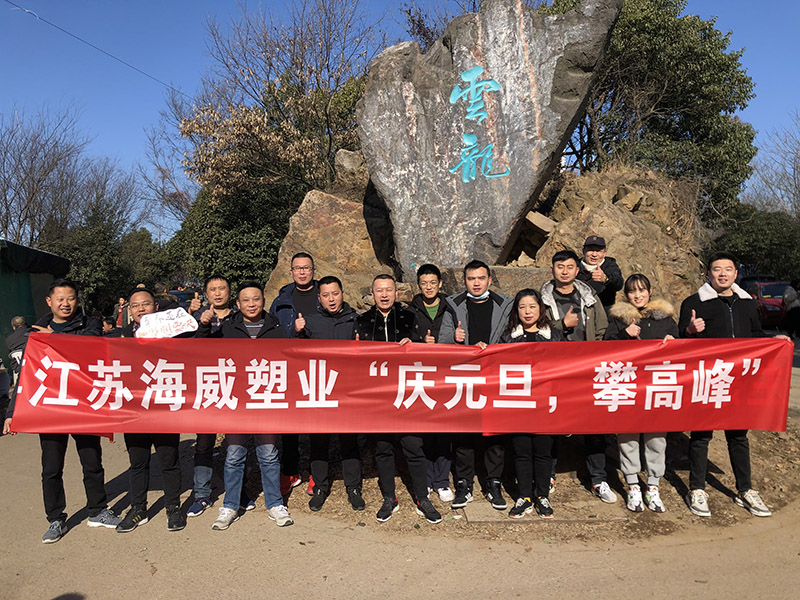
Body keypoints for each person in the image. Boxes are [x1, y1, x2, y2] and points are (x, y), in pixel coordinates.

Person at [3, 279, 121, 543]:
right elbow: (26, 376)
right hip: (51, 410)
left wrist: (54, 339)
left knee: (92, 461)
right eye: (60, 299)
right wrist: (12, 412)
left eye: (71, 298)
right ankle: (56, 519)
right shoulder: (34, 334)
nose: (66, 303)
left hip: (84, 408)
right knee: (51, 467)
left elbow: (90, 346)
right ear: (49, 302)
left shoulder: (90, 324)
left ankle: (97, 511)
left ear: (77, 300)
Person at [679, 251, 789, 518]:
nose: (723, 274)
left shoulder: (747, 303)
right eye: (717, 269)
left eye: (728, 269)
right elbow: (680, 342)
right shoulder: (694, 302)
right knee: (701, 435)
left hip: (739, 380)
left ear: (736, 274)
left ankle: (745, 490)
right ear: (708, 273)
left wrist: (774, 341)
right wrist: (690, 331)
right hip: (708, 379)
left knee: (738, 436)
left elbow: (755, 336)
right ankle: (697, 489)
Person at [199, 280, 293, 530]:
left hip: (267, 401)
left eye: (256, 299)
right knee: (233, 455)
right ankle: (230, 505)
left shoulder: (276, 329)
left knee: (269, 455)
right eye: (246, 300)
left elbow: (290, 362)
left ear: (264, 301)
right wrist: (204, 326)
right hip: (236, 404)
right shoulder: (227, 328)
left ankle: (275, 504)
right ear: (238, 304)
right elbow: (201, 350)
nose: (252, 304)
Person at [354, 274, 441, 524]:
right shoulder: (362, 321)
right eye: (379, 290)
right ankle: (389, 498)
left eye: (388, 290)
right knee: (382, 448)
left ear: (396, 293)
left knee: (413, 446)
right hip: (377, 397)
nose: (384, 295)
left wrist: (416, 344)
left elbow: (424, 353)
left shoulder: (409, 317)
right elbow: (352, 358)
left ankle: (422, 498)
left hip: (406, 394)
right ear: (372, 294)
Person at [541, 250, 615, 503]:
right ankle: (548, 474)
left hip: (587, 369)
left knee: (594, 424)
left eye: (569, 267)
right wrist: (562, 325)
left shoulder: (589, 296)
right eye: (560, 266)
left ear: (577, 270)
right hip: (555, 371)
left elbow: (602, 327)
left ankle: (598, 479)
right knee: (550, 423)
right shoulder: (542, 299)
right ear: (552, 269)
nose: (564, 271)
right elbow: (535, 330)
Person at [439, 260, 513, 510]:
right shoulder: (453, 304)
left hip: (494, 376)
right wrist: (455, 338)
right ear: (465, 281)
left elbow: (511, 337)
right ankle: (464, 484)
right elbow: (442, 342)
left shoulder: (505, 304)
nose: (477, 283)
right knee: (464, 434)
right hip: (465, 376)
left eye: (481, 278)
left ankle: (493, 483)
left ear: (490, 280)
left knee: (495, 433)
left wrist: (492, 349)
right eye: (471, 279)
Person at [605, 274, 678, 513]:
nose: (637, 295)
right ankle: (633, 485)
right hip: (628, 387)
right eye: (632, 291)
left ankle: (653, 486)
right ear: (626, 295)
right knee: (627, 437)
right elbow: (605, 347)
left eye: (642, 290)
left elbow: (681, 351)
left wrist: (674, 341)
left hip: (657, 388)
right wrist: (624, 334)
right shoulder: (618, 318)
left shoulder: (665, 318)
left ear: (650, 291)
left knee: (657, 438)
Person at [115, 288, 185, 533]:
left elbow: (195, 347)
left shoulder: (173, 332)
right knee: (138, 462)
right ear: (129, 310)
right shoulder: (122, 336)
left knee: (169, 460)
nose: (141, 309)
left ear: (156, 306)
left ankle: (173, 507)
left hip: (164, 407)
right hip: (135, 411)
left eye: (145, 304)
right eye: (135, 305)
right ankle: (138, 509)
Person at [294, 275, 365, 512]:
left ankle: (353, 488)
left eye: (335, 294)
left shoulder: (355, 319)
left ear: (342, 293)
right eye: (325, 295)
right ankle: (320, 487)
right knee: (319, 441)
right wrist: (297, 332)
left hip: (348, 390)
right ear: (319, 298)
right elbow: (293, 353)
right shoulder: (310, 322)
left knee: (349, 441)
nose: (331, 299)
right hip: (320, 389)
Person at [500, 289, 565, 519]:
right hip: (518, 402)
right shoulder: (508, 337)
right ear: (516, 311)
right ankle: (525, 496)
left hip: (545, 403)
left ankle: (542, 495)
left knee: (543, 452)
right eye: (522, 307)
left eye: (532, 306)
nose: (527, 311)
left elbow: (567, 366)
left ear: (541, 308)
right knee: (522, 451)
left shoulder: (554, 336)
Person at [185, 274, 239, 518]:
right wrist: (198, 321)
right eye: (212, 289)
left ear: (229, 291)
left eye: (222, 288)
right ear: (206, 294)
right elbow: (185, 348)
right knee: (204, 442)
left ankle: (238, 492)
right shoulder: (196, 317)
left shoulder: (240, 316)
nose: (218, 293)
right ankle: (201, 494)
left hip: (235, 387)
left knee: (236, 443)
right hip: (206, 387)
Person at [405, 263, 456, 502]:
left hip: (446, 376)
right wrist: (418, 343)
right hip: (421, 376)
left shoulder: (451, 307)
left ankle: (442, 481)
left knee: (444, 431)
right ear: (418, 285)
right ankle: (425, 479)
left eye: (433, 283)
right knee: (423, 430)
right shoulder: (410, 310)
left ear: (440, 284)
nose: (429, 287)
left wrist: (456, 339)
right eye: (424, 283)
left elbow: (460, 335)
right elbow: (405, 341)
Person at [270, 252, 319, 495]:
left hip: (319, 367)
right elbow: (272, 332)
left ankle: (317, 475)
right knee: (288, 425)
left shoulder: (325, 294)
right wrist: (294, 331)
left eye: (306, 268)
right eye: (297, 268)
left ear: (313, 271)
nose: (302, 272)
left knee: (318, 423)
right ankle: (290, 472)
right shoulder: (281, 300)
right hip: (290, 367)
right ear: (291, 272)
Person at [576, 235, 624, 309]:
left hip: (603, 311)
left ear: (604, 253)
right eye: (590, 250)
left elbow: (619, 284)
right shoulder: (575, 265)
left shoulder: (610, 265)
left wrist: (606, 279)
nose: (594, 254)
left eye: (598, 251)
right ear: (583, 251)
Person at [5, 315, 30, 385]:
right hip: (34, 369)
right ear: (25, 324)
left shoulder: (9, 340)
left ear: (14, 327)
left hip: (18, 371)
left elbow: (10, 355)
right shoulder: (33, 334)